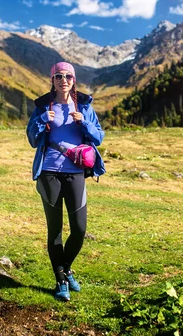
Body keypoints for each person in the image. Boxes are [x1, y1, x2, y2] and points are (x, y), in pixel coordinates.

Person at [26, 62, 105, 302]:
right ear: (52, 80)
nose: (63, 80)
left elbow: (99, 137)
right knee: (55, 231)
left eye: (68, 76)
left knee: (79, 229)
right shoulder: (42, 107)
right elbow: (31, 138)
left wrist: (84, 123)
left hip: (76, 172)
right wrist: (42, 121)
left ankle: (66, 267)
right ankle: (61, 281)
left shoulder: (84, 106)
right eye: (58, 76)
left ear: (74, 80)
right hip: (49, 172)